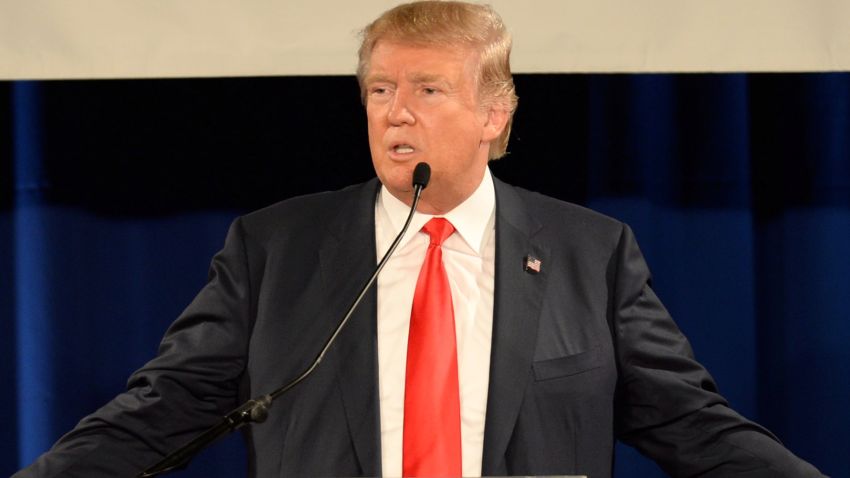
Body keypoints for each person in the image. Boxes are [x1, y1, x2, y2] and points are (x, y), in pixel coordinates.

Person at [16, 2, 824, 477]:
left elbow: (692, 423)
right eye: (379, 90)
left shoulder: (590, 251)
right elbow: (161, 411)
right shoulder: (277, 250)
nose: (395, 112)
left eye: (428, 90)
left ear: (494, 115)